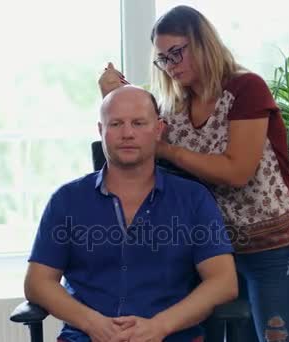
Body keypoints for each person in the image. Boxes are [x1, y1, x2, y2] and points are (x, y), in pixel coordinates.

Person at [99, 5, 289, 342]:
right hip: (216, 254)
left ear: (203, 43)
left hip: (273, 248)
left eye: (177, 53)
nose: (172, 65)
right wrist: (113, 96)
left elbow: (237, 171)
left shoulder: (245, 89)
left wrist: (166, 148)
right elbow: (137, 140)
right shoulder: (173, 104)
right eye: (163, 59)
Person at [24, 85, 238, 342]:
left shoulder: (194, 198)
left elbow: (224, 282)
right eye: (115, 124)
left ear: (158, 130)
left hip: (171, 336)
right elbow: (37, 283)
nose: (127, 133)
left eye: (138, 123)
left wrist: (159, 326)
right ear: (101, 131)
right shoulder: (66, 201)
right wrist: (93, 324)